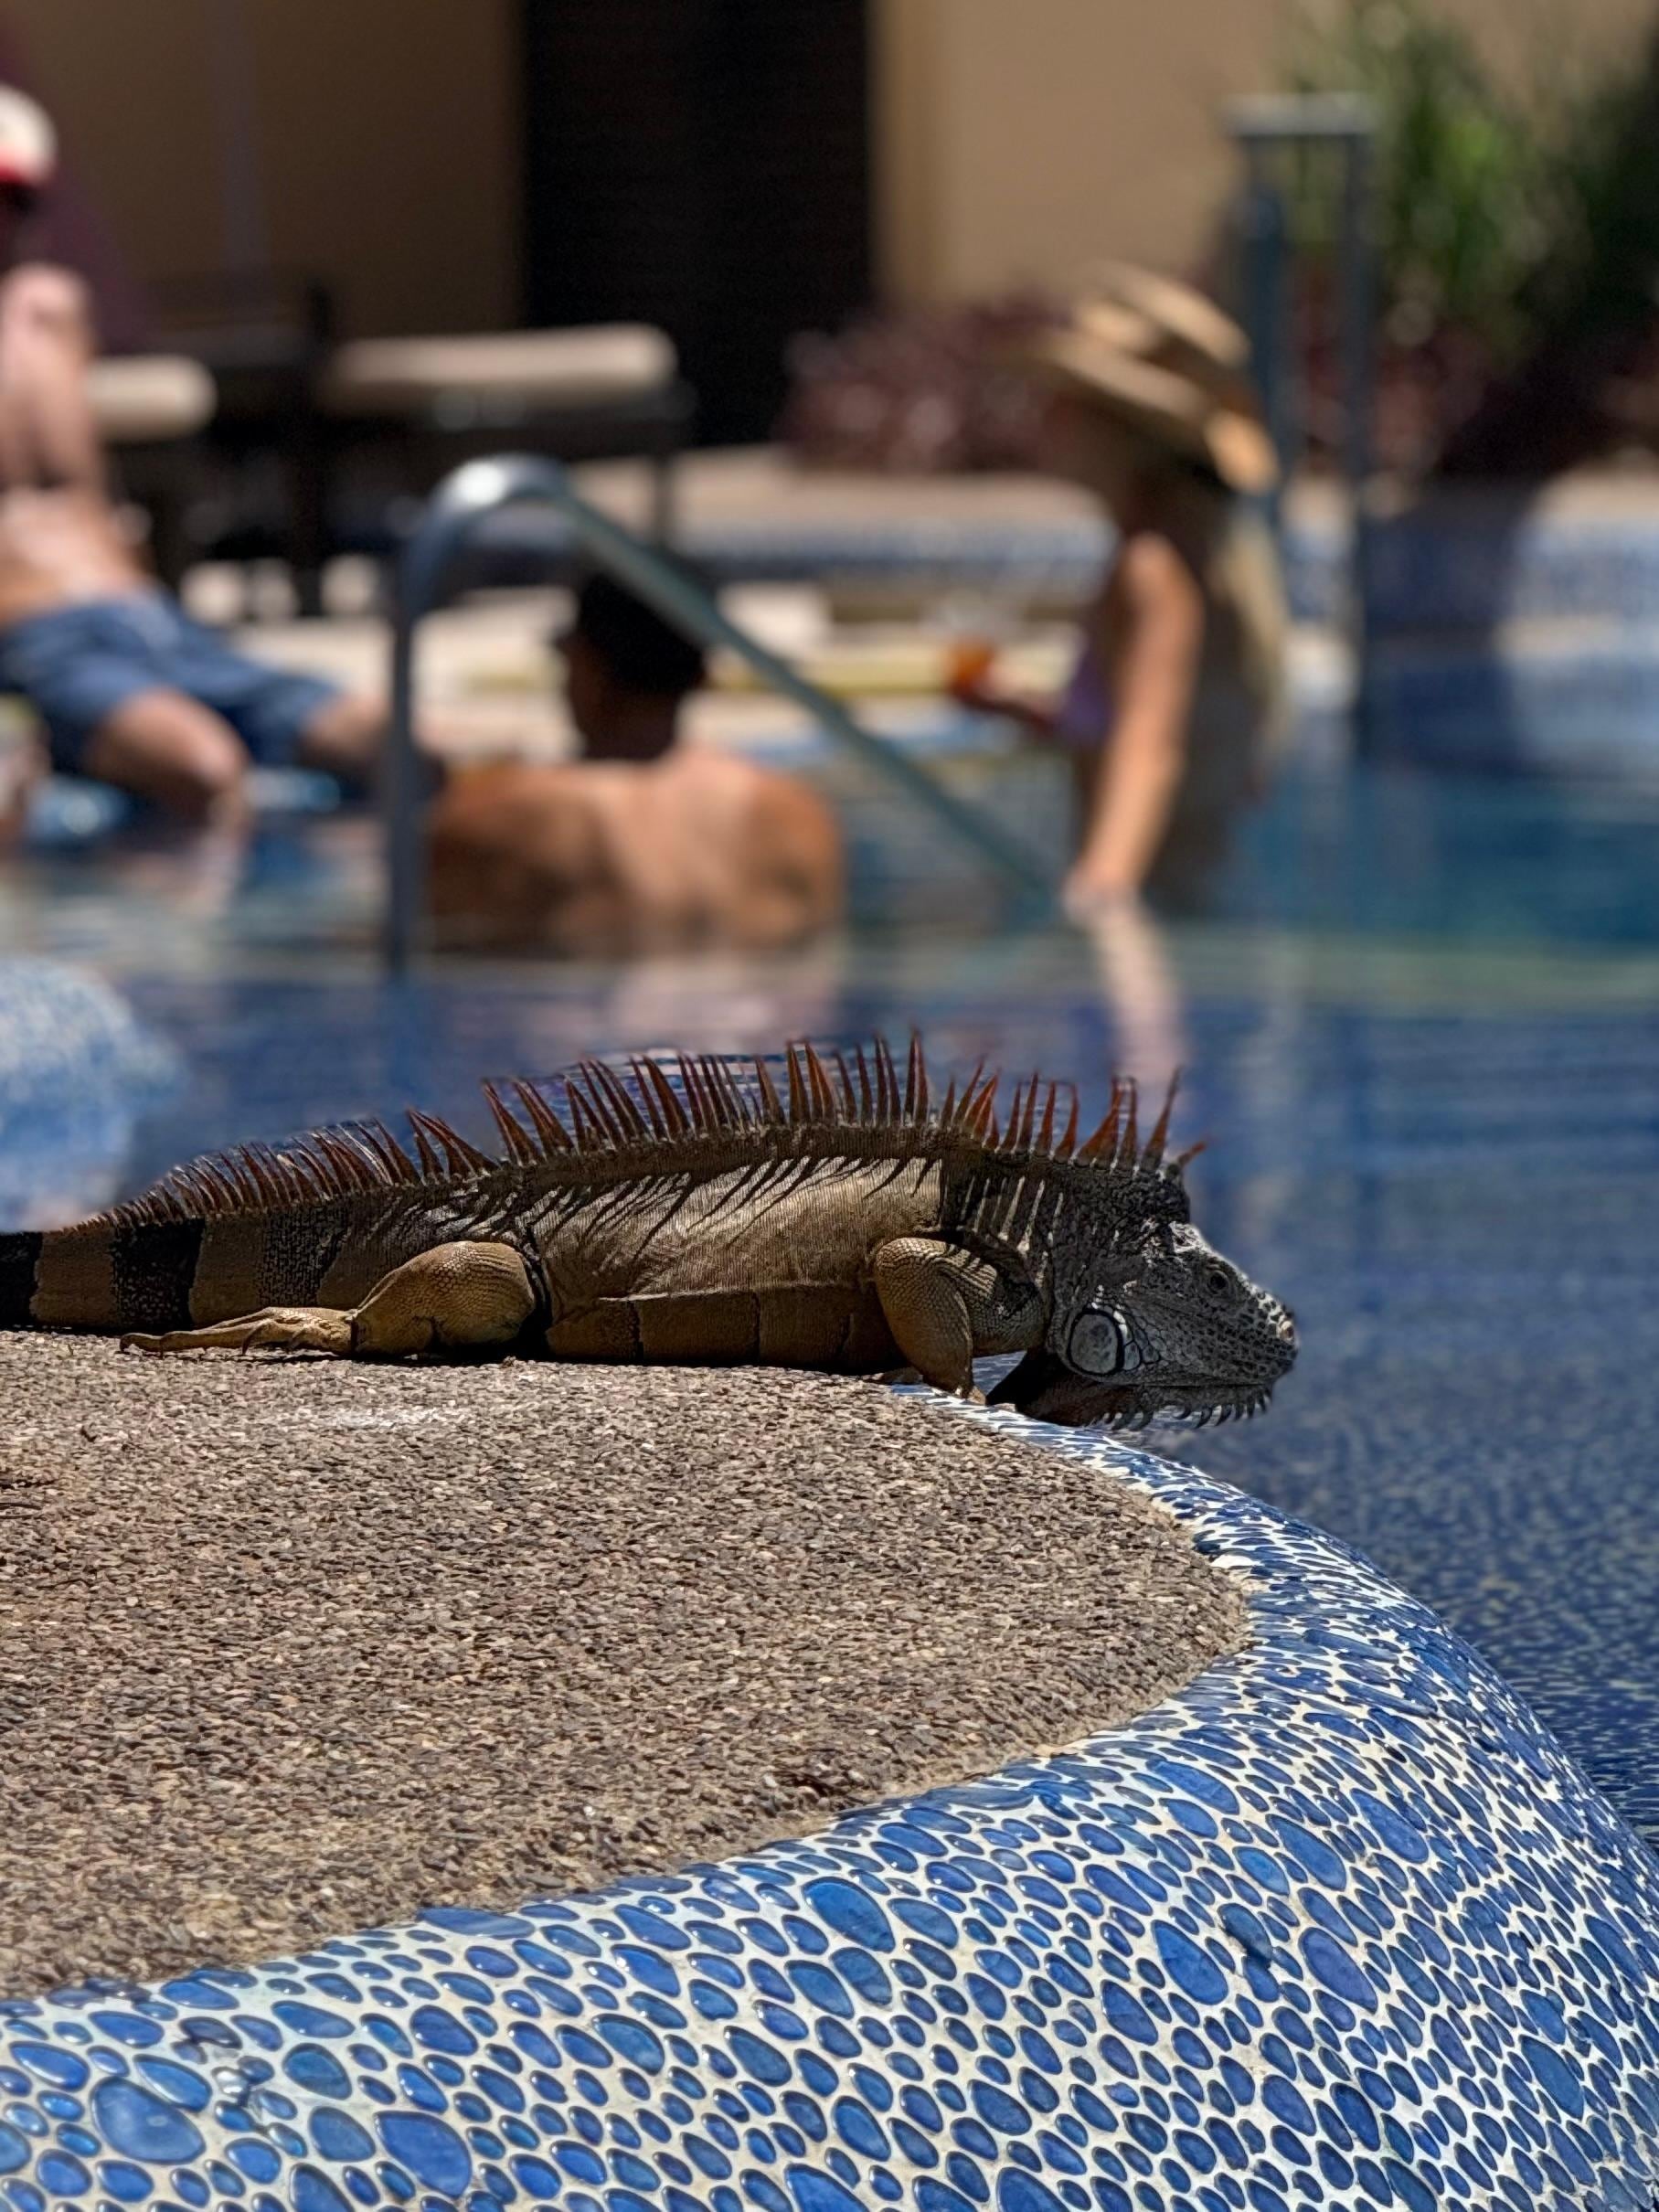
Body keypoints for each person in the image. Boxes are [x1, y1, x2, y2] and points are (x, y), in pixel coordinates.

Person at [0, 87, 392, 826]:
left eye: (16, 201)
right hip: (39, 640)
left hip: (151, 617)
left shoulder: (53, 308)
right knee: (205, 770)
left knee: (394, 745)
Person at [956, 265, 1288, 915]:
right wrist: (1028, 708)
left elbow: (1149, 750)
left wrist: (1100, 894)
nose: (1044, 418)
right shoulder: (1199, 555)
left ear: (1117, 430)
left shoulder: (1150, 571)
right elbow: (1150, 718)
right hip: (1198, 896)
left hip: (1162, 905)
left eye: (1066, 402)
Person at [427, 570, 844, 954]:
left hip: (596, 1029)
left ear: (584, 664)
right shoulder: (799, 818)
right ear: (704, 674)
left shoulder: (507, 816)